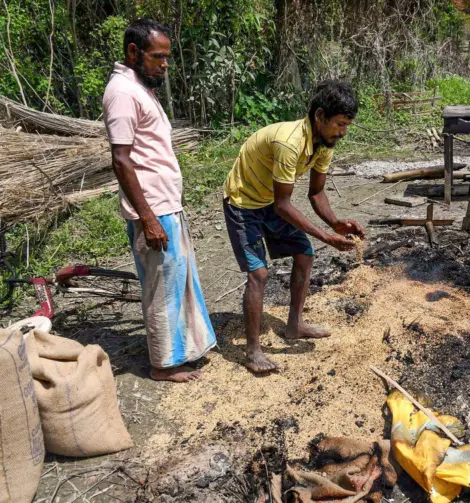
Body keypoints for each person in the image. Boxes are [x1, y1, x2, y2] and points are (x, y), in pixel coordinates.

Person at [223, 80, 365, 374]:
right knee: (259, 274)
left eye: (347, 126)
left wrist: (335, 223)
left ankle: (295, 325)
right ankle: (253, 351)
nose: (343, 132)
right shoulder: (290, 142)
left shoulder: (324, 144)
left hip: (269, 200)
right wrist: (326, 237)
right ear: (320, 116)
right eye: (340, 124)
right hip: (242, 201)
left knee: (305, 253)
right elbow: (283, 205)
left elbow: (316, 193)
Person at [102, 19, 216, 383]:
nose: (165, 64)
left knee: (176, 279)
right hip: (153, 209)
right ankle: (163, 365)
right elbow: (121, 160)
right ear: (133, 52)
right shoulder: (122, 92)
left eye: (167, 57)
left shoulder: (139, 87)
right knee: (162, 288)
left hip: (164, 205)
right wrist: (148, 218)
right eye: (157, 57)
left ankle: (180, 350)